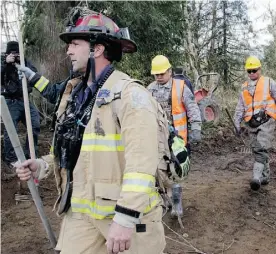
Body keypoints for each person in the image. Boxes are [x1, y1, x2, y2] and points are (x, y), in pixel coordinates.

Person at [15, 8, 166, 254]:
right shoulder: (75, 94)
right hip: (81, 213)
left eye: (75, 44)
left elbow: (142, 163)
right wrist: (42, 165)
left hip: (125, 218)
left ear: (97, 49)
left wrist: (126, 217)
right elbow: (75, 150)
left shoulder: (130, 95)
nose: (68, 50)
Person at [147, 55, 202, 219]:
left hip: (178, 140)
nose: (159, 77)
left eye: (162, 73)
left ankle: (176, 202)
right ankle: (165, 200)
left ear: (170, 71)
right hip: (157, 139)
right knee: (159, 171)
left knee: (176, 171)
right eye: (156, 74)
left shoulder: (181, 87)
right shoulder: (149, 89)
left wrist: (196, 128)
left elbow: (192, 108)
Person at [233, 56, 276, 191]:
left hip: (267, 120)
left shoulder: (269, 83)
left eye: (254, 70)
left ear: (260, 69)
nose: (252, 73)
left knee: (261, 147)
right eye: (249, 71)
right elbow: (240, 106)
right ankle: (265, 176)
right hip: (250, 124)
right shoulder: (244, 87)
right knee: (257, 149)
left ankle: (256, 178)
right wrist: (236, 123)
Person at [1, 41, 40, 178]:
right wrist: (6, 63)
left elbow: (34, 74)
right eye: (13, 53)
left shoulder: (24, 61)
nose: (15, 55)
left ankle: (30, 155)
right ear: (8, 53)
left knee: (35, 125)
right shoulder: (3, 62)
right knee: (11, 131)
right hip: (11, 101)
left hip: (24, 100)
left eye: (17, 53)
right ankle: (10, 159)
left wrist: (23, 66)